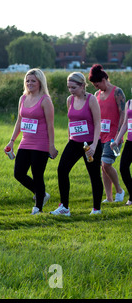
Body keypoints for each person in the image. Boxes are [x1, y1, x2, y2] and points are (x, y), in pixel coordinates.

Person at [5, 68, 58, 215]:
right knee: (19, 173)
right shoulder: (23, 98)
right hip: (25, 142)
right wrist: (12, 141)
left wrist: (51, 146)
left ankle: (38, 207)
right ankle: (41, 194)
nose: (29, 83)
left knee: (37, 175)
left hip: (41, 144)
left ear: (40, 82)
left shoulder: (45, 100)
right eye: (27, 80)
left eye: (33, 81)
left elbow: (50, 125)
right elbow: (19, 121)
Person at [51, 72, 103, 216]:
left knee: (94, 175)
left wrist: (94, 146)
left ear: (82, 86)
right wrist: (69, 139)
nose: (71, 90)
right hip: (74, 142)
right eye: (69, 87)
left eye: (73, 87)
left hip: (90, 143)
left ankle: (96, 209)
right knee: (62, 170)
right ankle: (64, 207)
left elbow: (98, 123)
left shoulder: (91, 100)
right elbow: (71, 121)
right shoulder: (70, 100)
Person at [89, 64, 126, 203]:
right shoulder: (96, 95)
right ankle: (109, 197)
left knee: (106, 164)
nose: (96, 87)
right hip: (100, 136)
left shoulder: (118, 92)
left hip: (114, 136)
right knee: (102, 167)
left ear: (104, 79)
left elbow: (123, 114)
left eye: (97, 84)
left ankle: (119, 190)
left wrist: (118, 136)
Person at [112, 98, 132, 206]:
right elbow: (125, 123)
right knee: (123, 168)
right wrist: (117, 140)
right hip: (130, 142)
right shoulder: (129, 103)